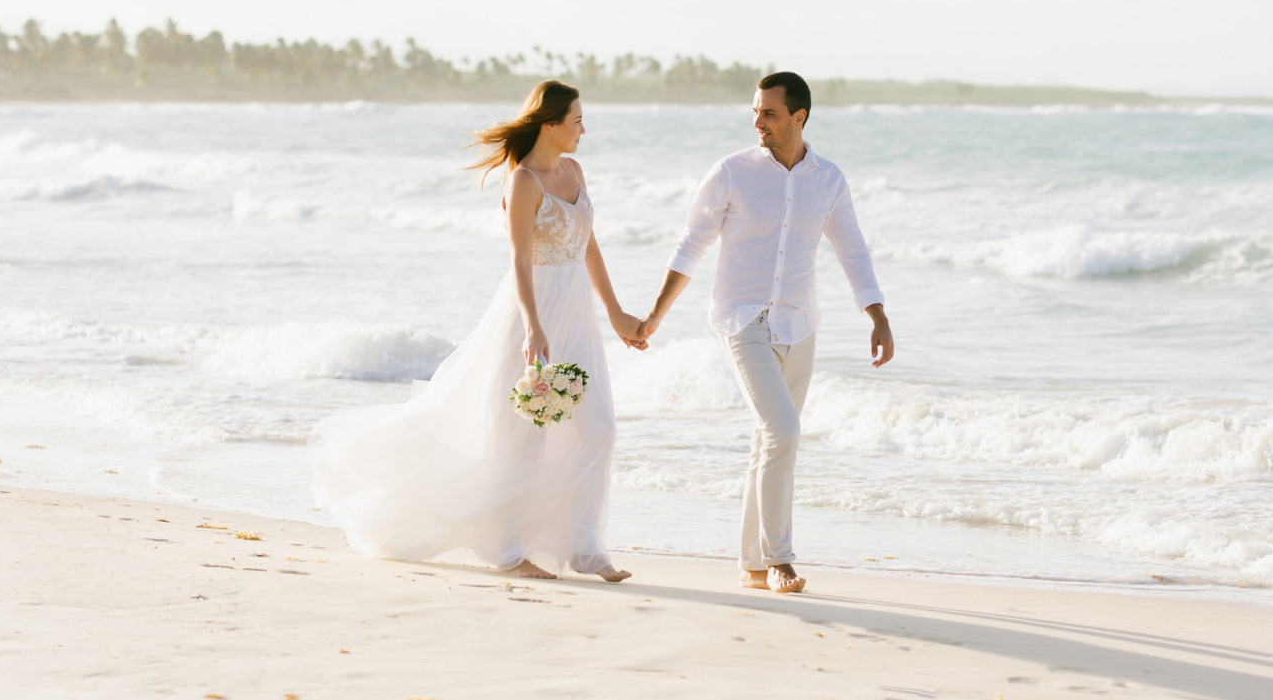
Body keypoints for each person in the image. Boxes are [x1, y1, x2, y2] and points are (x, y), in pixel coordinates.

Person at [309, 80, 642, 582]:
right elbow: (520, 261)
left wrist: (616, 313)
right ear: (550, 124)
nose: (583, 129)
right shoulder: (524, 181)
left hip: (578, 319)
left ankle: (585, 547)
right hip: (532, 315)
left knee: (596, 426)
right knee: (525, 435)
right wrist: (532, 326)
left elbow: (589, 246)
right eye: (576, 120)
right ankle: (508, 550)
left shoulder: (573, 171)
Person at [638, 71, 893, 593]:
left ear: (799, 117)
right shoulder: (732, 172)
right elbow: (692, 244)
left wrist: (877, 315)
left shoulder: (828, 179)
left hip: (800, 325)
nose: (758, 122)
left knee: (767, 442)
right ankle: (780, 559)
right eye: (755, 112)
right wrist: (656, 314)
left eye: (769, 113)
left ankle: (752, 565)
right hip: (743, 318)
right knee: (784, 433)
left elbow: (853, 250)